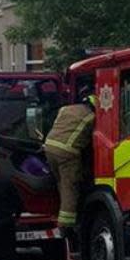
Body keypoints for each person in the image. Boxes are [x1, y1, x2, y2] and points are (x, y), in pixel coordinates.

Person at [42, 88, 96, 241]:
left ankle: (60, 211)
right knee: (70, 187)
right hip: (67, 153)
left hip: (49, 148)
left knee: (60, 183)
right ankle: (66, 226)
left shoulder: (65, 109)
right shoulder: (91, 117)